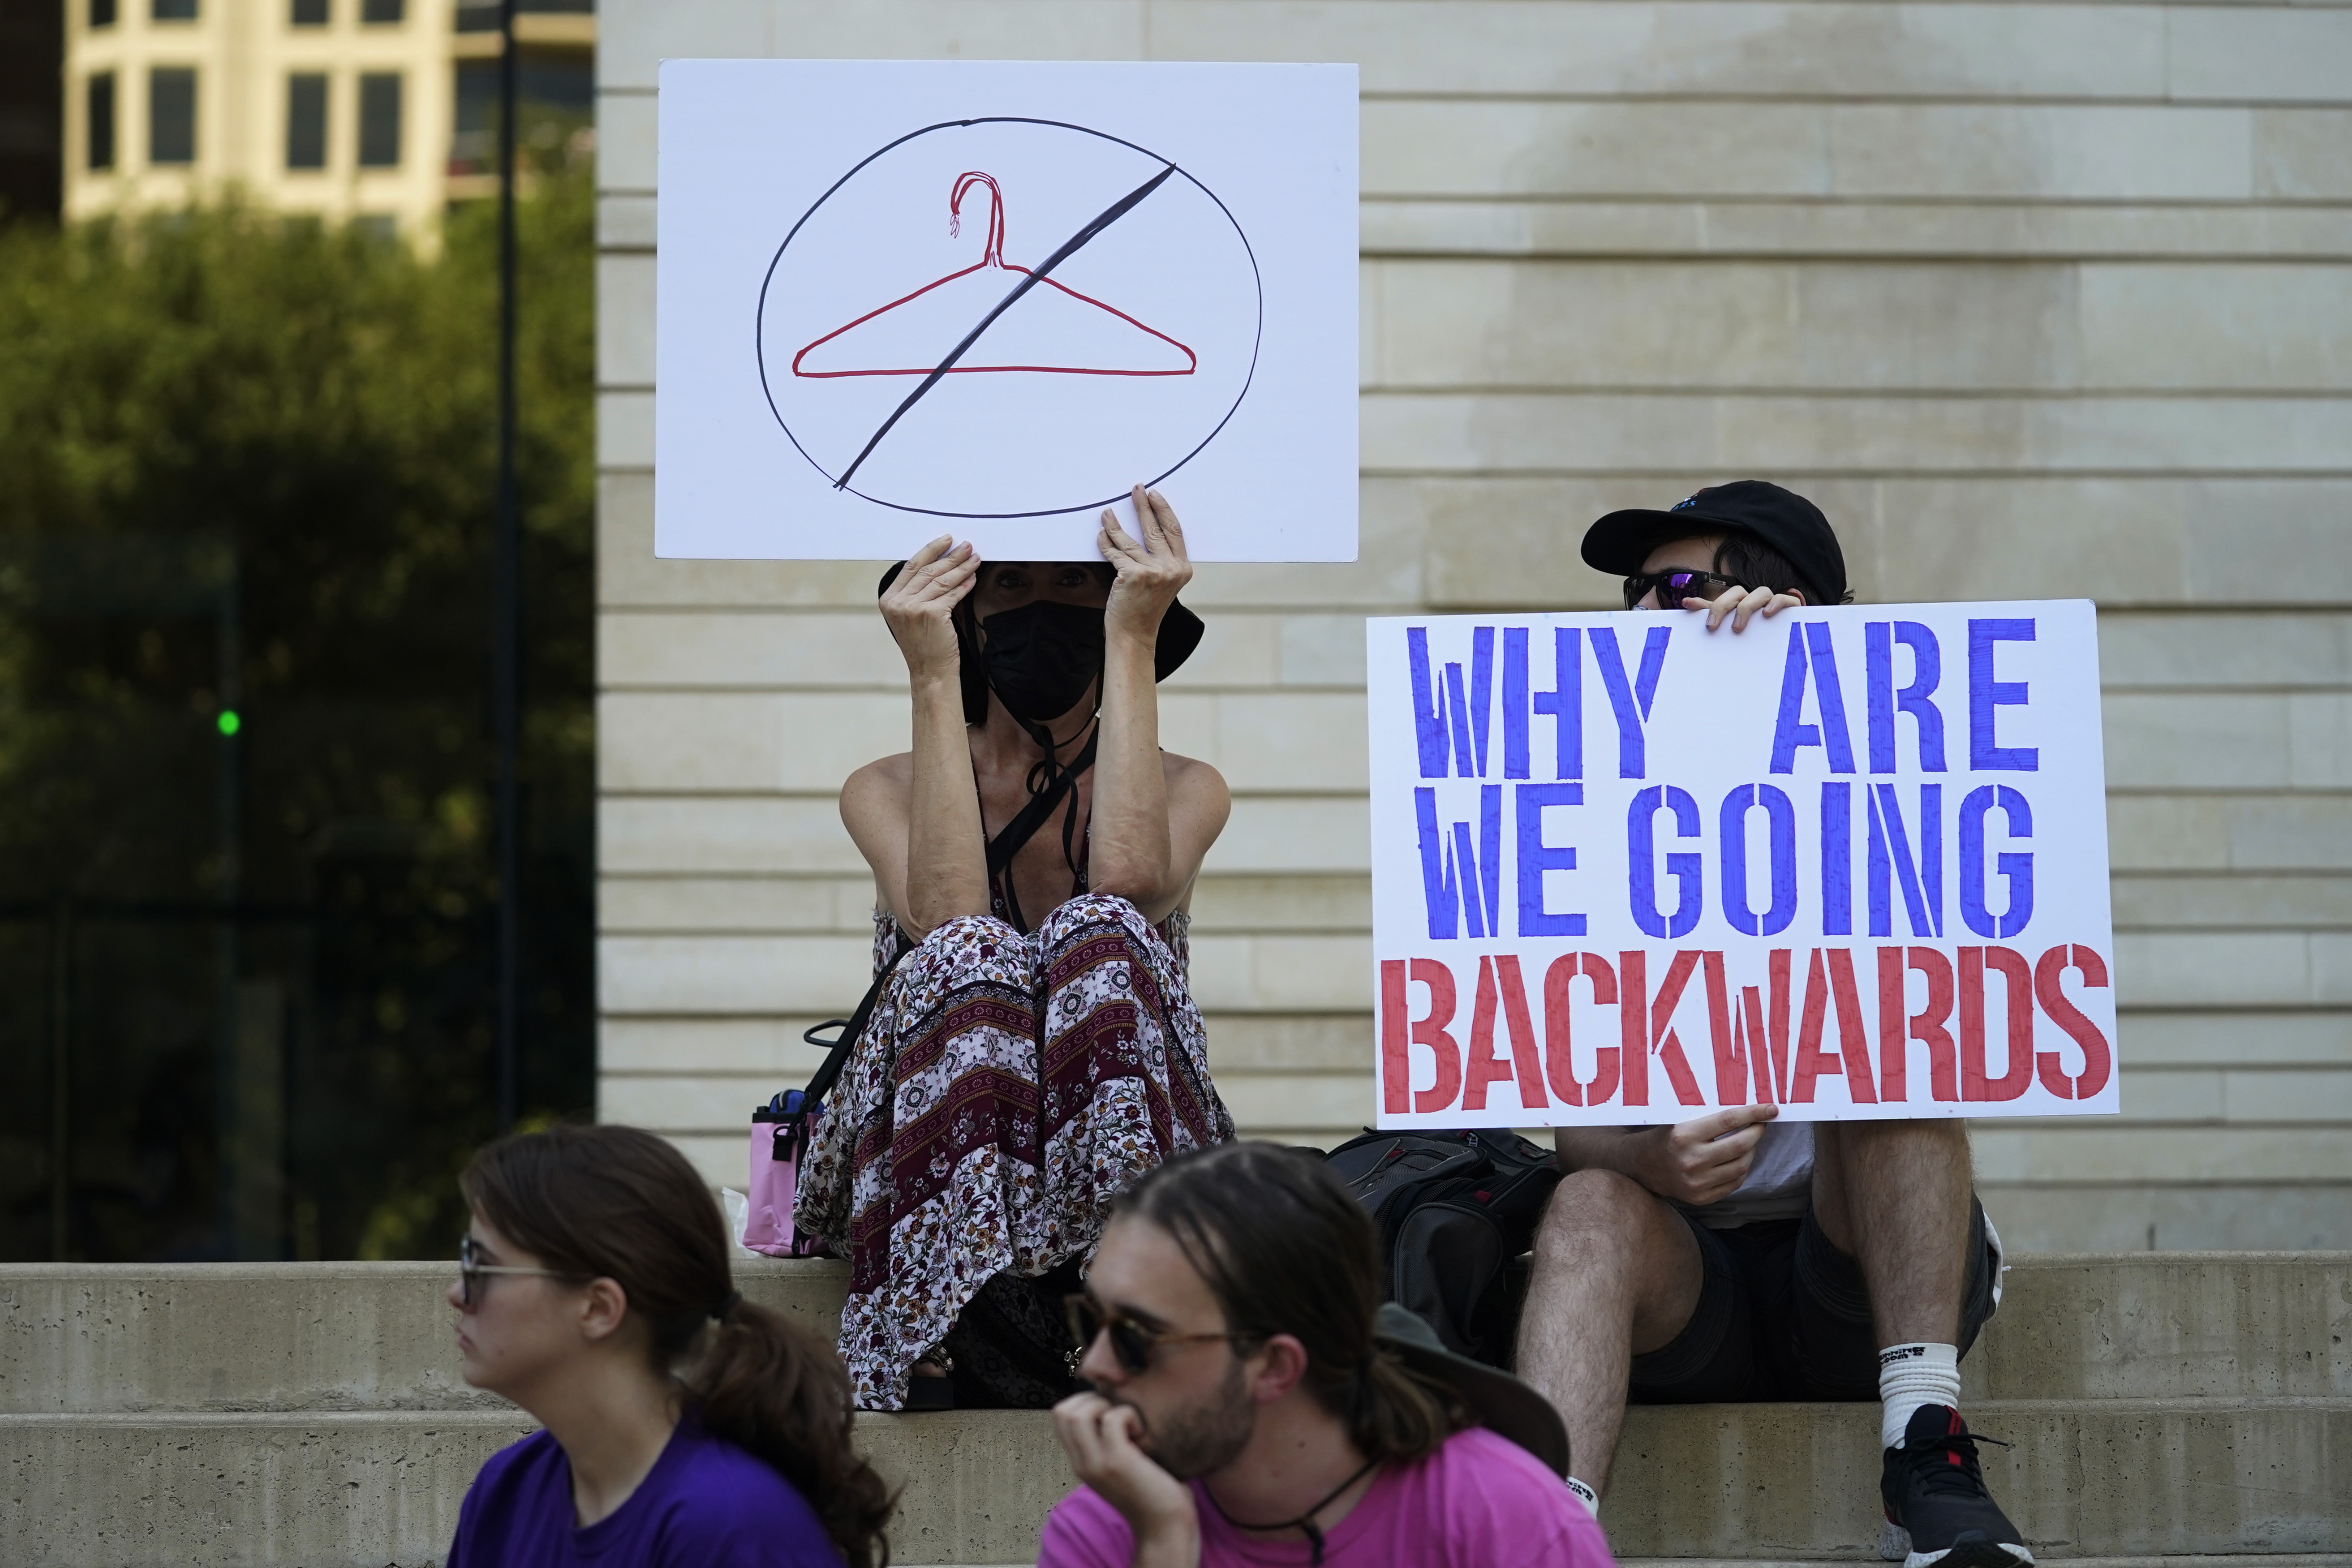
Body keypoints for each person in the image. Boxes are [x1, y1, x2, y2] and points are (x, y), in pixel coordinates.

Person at [1512, 480, 2028, 1568]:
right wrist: (1649, 1152)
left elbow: (1963, 999)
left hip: (1857, 1261)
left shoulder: (1891, 779)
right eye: (1638, 597)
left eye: (1682, 588)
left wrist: (1823, 691)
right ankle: (1544, 1536)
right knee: (1588, 1198)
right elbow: (1569, 1140)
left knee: (1894, 1070)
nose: (1652, 616)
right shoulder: (1595, 812)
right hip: (1682, 1274)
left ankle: (1928, 1451)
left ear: (1776, 594)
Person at [797, 485, 1238, 1412]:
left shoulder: (1192, 787)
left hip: (1126, 1144)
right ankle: (931, 1305)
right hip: (925, 1135)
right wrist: (931, 674)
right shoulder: (881, 787)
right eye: (1010, 582)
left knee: (1098, 929)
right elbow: (948, 914)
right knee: (972, 953)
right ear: (969, 611)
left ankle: (1120, 1294)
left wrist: (1131, 636)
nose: (1047, 603)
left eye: (1078, 579)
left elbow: (1121, 881)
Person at [1045, 1141, 1615, 1568]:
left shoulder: (1505, 1517)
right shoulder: (1108, 1528)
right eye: (1092, 1322)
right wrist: (1164, 1544)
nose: (1094, 1365)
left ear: (1274, 1368)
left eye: (1136, 1337)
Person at [443, 1122, 893, 1568]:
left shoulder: (735, 1528)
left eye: (481, 1268)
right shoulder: (505, 1493)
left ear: (599, 1308)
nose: (456, 1295)